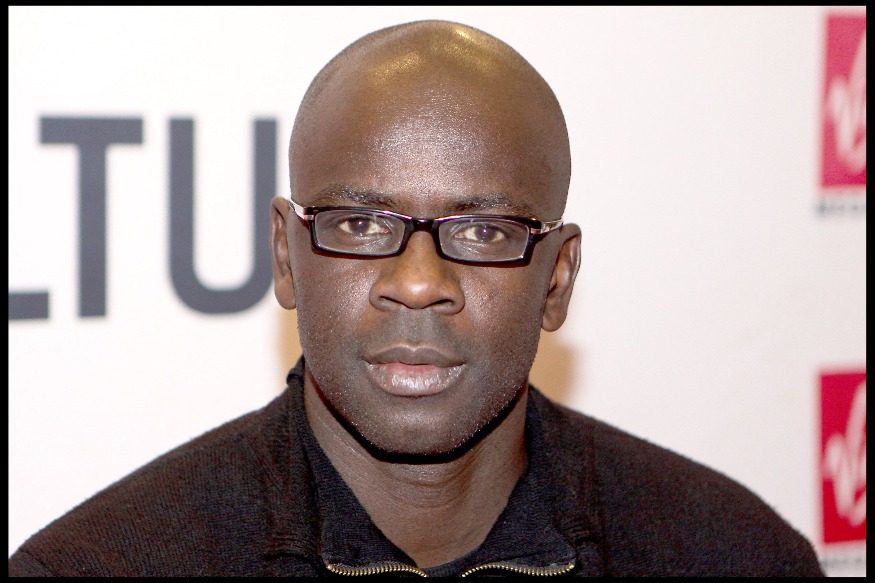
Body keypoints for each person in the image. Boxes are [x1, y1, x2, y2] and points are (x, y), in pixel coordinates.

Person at [8, 20, 824, 577]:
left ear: (557, 278)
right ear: (285, 256)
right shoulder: (97, 564)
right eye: (360, 224)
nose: (418, 282)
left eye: (484, 230)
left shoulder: (733, 554)